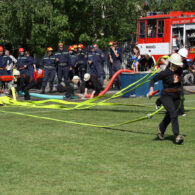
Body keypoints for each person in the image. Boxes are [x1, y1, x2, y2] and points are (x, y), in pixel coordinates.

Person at [148, 53, 184, 144]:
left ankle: (161, 128)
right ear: (172, 64)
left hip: (176, 96)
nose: (177, 67)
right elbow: (152, 80)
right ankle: (177, 135)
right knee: (173, 113)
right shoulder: (165, 73)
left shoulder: (179, 70)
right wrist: (151, 91)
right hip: (166, 96)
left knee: (169, 115)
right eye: (176, 65)